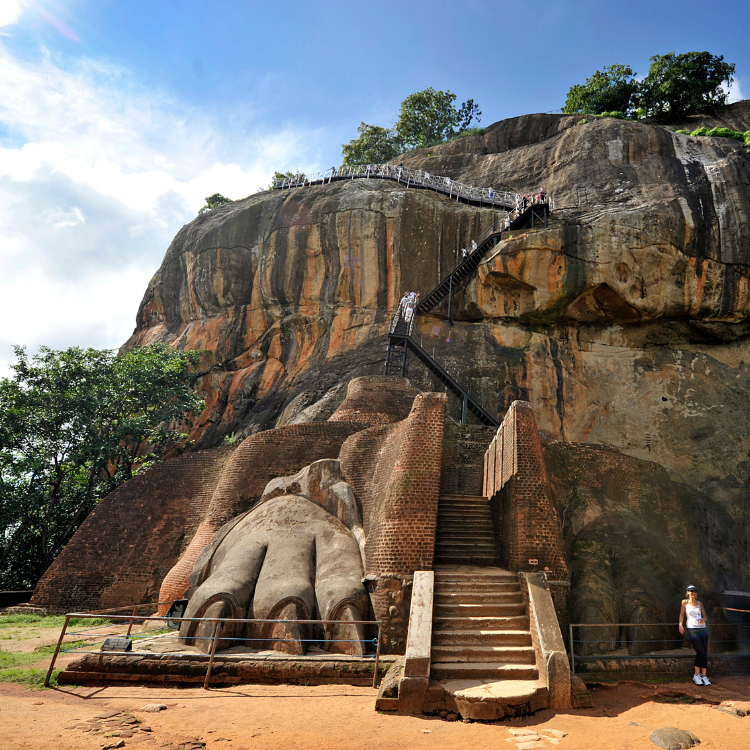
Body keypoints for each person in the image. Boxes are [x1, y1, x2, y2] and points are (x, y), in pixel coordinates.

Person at [679, 585, 710, 685]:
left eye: (695, 591)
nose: (693, 593)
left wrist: (702, 620)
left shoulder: (699, 603)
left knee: (704, 651)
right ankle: (696, 675)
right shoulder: (684, 602)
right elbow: (682, 614)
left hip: (702, 628)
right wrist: (680, 625)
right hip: (692, 628)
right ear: (687, 592)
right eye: (691, 591)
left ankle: (704, 676)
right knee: (700, 650)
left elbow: (705, 616)